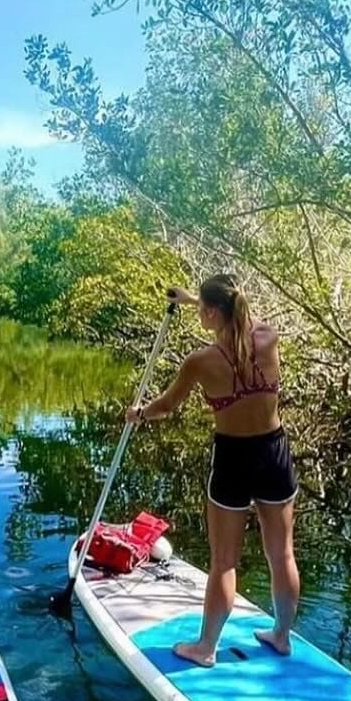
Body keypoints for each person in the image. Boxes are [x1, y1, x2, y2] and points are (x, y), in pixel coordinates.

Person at [125, 274, 299, 666]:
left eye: (202, 308)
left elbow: (167, 405)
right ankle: (281, 636)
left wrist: (138, 415)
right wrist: (193, 300)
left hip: (234, 458)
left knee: (224, 561)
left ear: (212, 312)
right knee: (282, 554)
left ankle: (206, 648)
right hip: (274, 451)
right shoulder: (269, 337)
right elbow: (238, 318)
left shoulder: (201, 362)